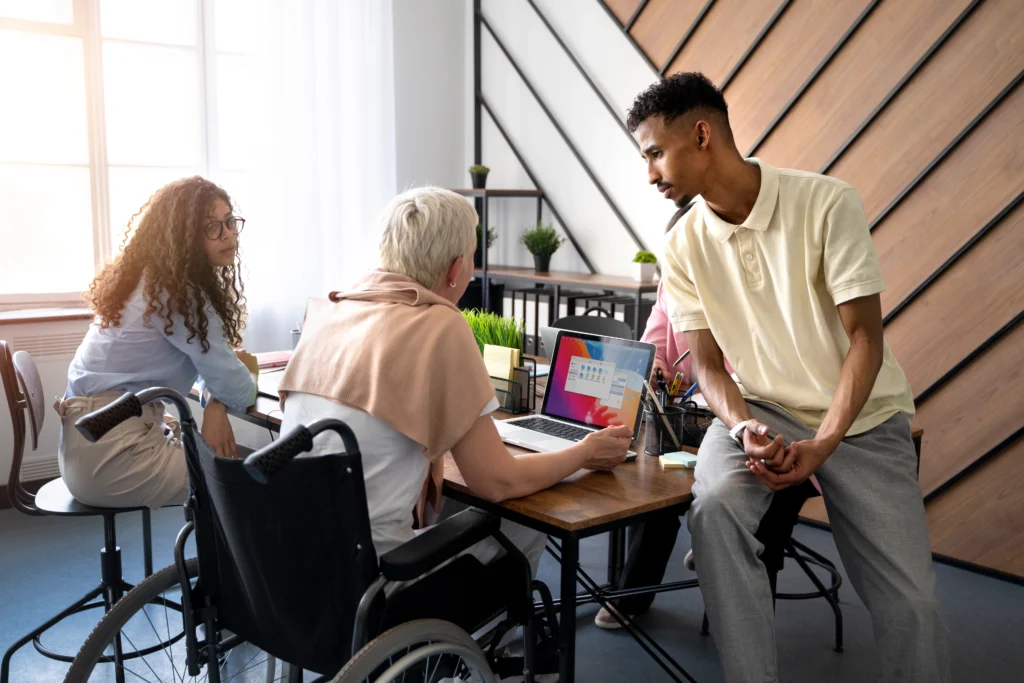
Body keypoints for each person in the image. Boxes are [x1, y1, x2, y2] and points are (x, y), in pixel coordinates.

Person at [627, 73, 949, 682]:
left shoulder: (827, 203)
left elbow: (866, 340)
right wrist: (742, 422)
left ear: (701, 135)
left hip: (861, 419)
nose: (649, 174)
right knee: (715, 506)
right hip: (761, 410)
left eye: (654, 153)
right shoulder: (683, 243)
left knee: (911, 603)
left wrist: (824, 442)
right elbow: (708, 364)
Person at [277, 186, 633, 631]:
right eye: (471, 256)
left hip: (294, 568)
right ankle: (501, 645)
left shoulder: (332, 310)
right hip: (379, 585)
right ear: (454, 269)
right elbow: (496, 482)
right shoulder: (439, 323)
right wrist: (584, 453)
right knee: (528, 512)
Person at [56, 176, 259, 510]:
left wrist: (215, 401)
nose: (227, 235)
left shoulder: (151, 280)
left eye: (229, 222)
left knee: (230, 459)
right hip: (112, 455)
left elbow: (211, 376)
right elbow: (239, 390)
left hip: (92, 447)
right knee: (246, 473)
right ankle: (225, 564)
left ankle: (214, 562)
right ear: (184, 238)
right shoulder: (177, 294)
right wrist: (221, 397)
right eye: (212, 227)